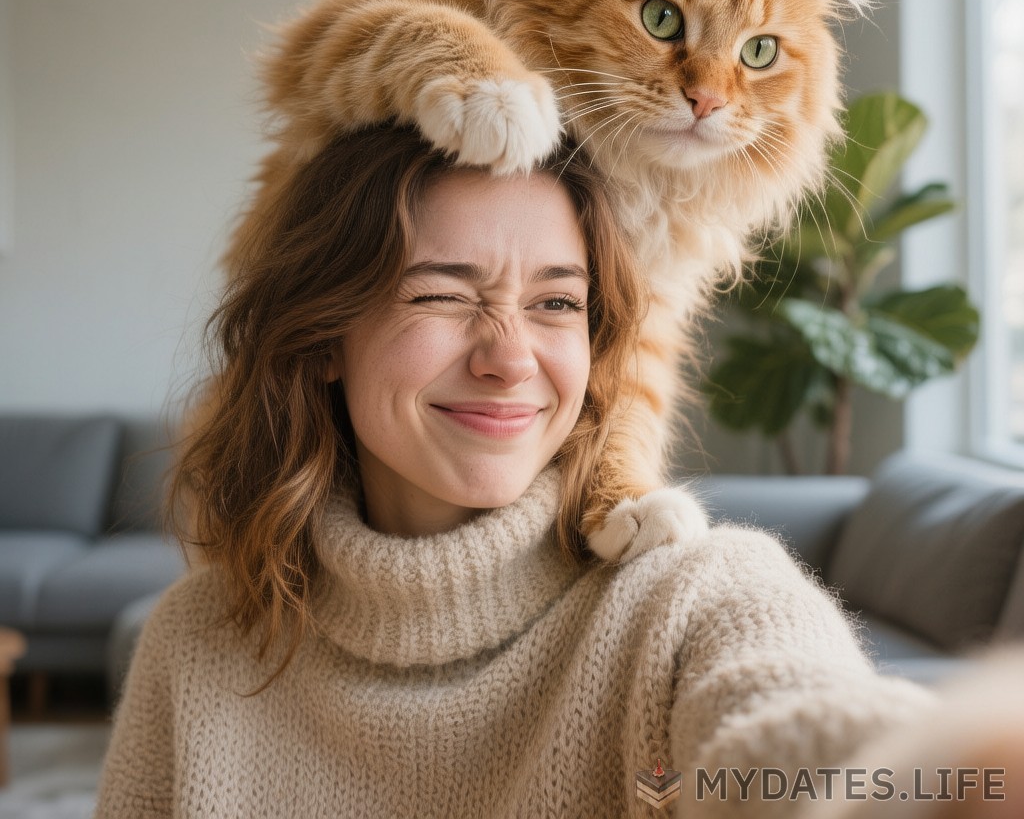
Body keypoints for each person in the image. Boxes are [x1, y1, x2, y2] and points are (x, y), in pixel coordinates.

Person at [95, 123, 935, 818]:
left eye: (557, 303)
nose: (510, 358)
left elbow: (806, 735)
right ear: (321, 339)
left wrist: (930, 780)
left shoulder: (696, 598)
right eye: (442, 294)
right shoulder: (197, 639)